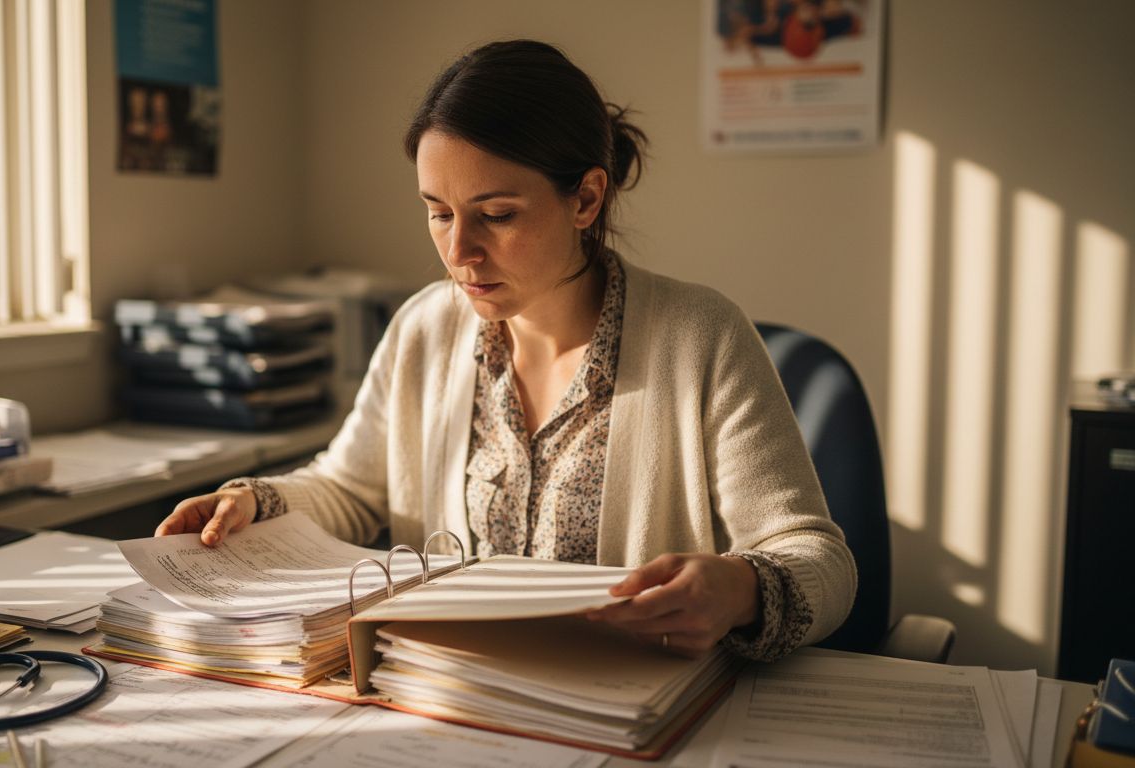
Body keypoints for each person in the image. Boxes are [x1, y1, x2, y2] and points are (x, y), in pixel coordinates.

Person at [156, 39, 855, 662]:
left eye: (496, 215)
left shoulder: (701, 337)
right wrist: (254, 502)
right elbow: (349, 487)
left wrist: (739, 589)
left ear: (585, 199)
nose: (459, 252)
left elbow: (817, 559)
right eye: (438, 212)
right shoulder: (425, 327)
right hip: (453, 698)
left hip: (629, 713)